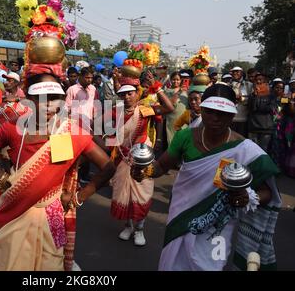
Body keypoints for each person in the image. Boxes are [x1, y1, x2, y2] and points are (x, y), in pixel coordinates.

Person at [0, 72, 116, 271]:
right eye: (42, 99)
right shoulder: (13, 127)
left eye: (54, 98)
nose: (49, 105)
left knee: (50, 265)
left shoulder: (70, 131)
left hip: (51, 213)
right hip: (14, 210)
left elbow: (108, 166)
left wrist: (79, 196)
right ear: (29, 101)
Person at [143, 84, 281, 271]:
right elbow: (160, 166)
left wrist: (247, 197)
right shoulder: (185, 137)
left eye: (222, 113)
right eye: (210, 112)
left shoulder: (244, 148)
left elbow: (268, 193)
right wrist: (144, 171)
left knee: (211, 266)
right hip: (181, 217)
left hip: (218, 225)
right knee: (174, 264)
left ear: (232, 115)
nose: (215, 118)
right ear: (202, 110)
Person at [105, 75, 174, 247]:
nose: (127, 97)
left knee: (142, 193)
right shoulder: (115, 110)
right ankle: (128, 226)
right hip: (122, 157)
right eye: (124, 94)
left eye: (131, 93)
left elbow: (169, 107)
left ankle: (140, 228)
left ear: (138, 93)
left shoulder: (145, 109)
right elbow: (104, 131)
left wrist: (157, 88)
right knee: (124, 193)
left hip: (142, 158)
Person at [248, 73, 277, 151]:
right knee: (252, 151)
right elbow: (251, 108)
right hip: (253, 128)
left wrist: (259, 107)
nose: (258, 82)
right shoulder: (252, 95)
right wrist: (255, 96)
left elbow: (271, 108)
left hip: (266, 128)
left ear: (265, 82)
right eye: (256, 80)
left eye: (261, 80)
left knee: (263, 151)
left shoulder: (271, 95)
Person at [65, 67, 99, 133]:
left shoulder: (93, 89)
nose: (90, 80)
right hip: (76, 125)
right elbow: (67, 108)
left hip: (89, 123)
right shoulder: (72, 89)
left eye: (91, 78)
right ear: (81, 76)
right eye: (87, 78)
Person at [164, 72, 188, 144]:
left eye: (178, 79)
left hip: (184, 118)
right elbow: (170, 104)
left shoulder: (186, 90)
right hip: (171, 119)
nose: (176, 81)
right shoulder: (166, 91)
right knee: (172, 139)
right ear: (170, 80)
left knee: (183, 139)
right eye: (174, 79)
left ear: (181, 80)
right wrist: (179, 92)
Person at [230, 66, 253, 137]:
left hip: (243, 119)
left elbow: (252, 100)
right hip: (231, 119)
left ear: (242, 73)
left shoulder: (249, 85)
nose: (235, 73)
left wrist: (242, 99)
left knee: (241, 141)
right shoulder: (228, 85)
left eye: (237, 72)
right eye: (233, 72)